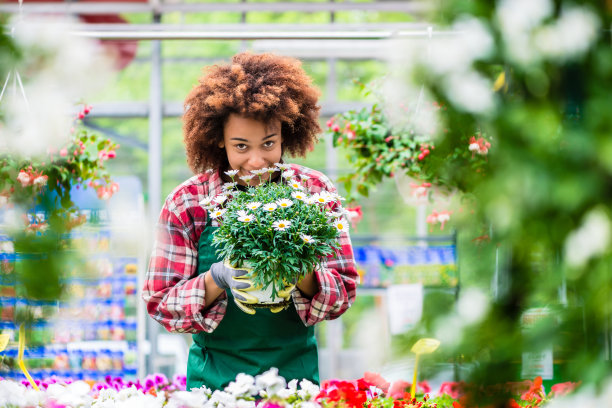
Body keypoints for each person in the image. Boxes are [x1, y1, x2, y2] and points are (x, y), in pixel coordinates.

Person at [142, 52, 358, 391]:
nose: (256, 161)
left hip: (294, 384)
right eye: (241, 146)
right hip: (214, 386)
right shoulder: (188, 203)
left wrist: (300, 274)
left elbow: (344, 291)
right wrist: (215, 279)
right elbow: (160, 303)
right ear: (218, 140)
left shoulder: (315, 192)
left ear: (287, 135)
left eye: (268, 144)